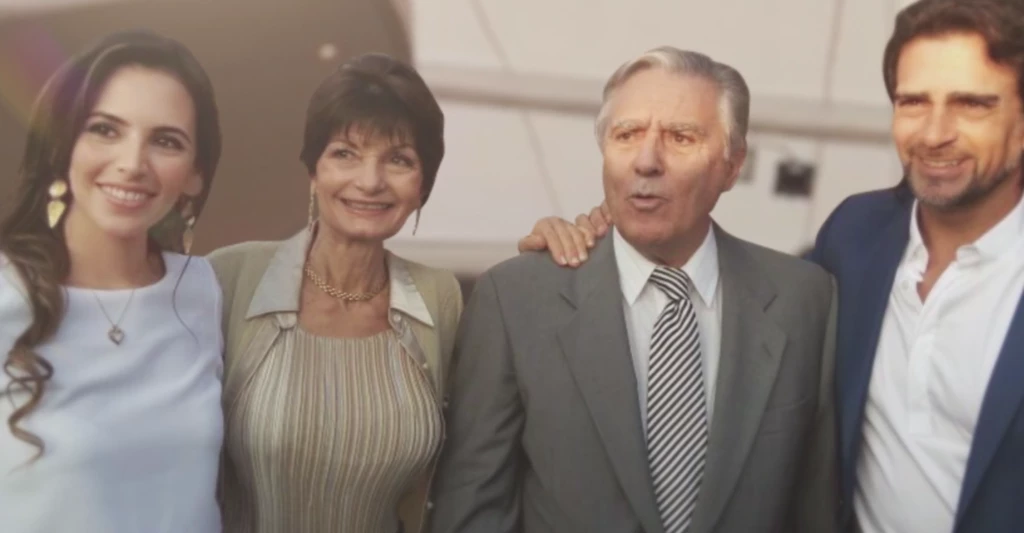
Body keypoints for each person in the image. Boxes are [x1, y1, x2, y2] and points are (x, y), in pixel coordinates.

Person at [429, 46, 839, 533]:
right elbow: (473, 508)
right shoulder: (514, 300)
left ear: (732, 165)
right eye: (626, 135)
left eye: (681, 137)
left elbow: (817, 508)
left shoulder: (804, 300)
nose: (646, 161)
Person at [208, 52, 576, 533]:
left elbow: (493, 444)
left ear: (422, 186)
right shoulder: (230, 277)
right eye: (345, 153)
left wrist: (555, 257)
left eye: (398, 159)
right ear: (313, 170)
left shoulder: (439, 298)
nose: (370, 181)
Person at [0, 30, 224, 533]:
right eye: (104, 129)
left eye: (166, 141)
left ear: (195, 174)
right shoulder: (6, 293)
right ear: (63, 143)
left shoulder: (202, 290)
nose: (132, 163)